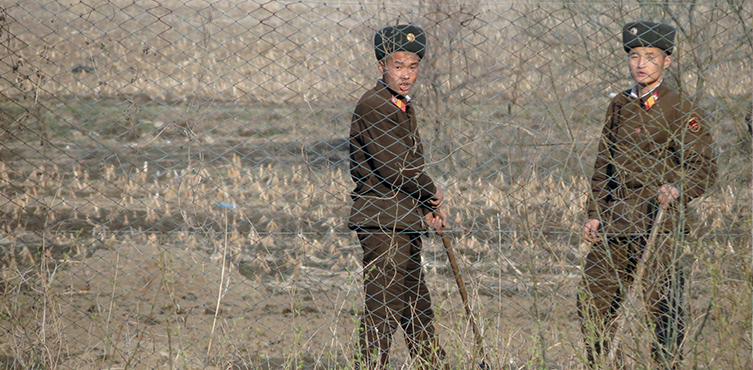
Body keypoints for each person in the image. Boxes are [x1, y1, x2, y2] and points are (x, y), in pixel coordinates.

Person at [578, 21, 716, 369]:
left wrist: (679, 189)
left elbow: (704, 168)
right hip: (617, 221)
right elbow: (602, 164)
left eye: (650, 57)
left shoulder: (680, 107)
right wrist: (594, 212)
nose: (641, 64)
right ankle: (606, 364)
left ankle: (665, 364)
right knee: (592, 301)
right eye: (635, 56)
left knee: (663, 306)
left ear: (666, 61)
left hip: (660, 223)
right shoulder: (619, 106)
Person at [348, 24, 449, 370]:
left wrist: (424, 205)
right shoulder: (375, 106)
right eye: (398, 66)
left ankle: (432, 364)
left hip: (401, 218)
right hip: (382, 221)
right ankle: (369, 365)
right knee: (384, 307)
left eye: (413, 66)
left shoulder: (398, 103)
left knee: (415, 305)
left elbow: (403, 167)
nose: (406, 75)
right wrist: (431, 192)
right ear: (382, 66)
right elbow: (395, 169)